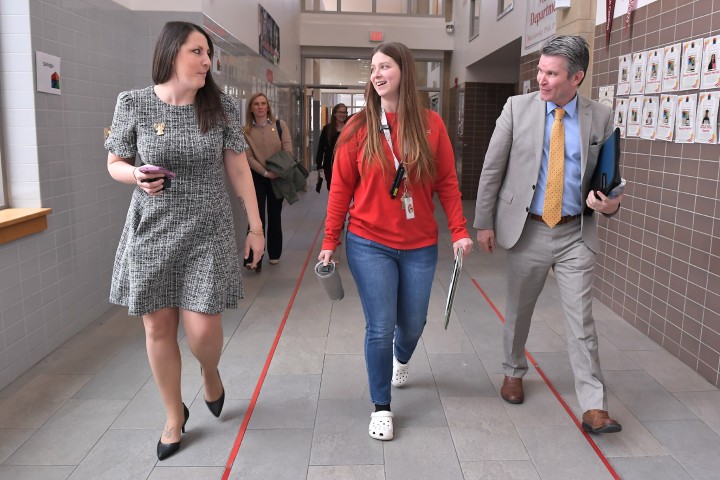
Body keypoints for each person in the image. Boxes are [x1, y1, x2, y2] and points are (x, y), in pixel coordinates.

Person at [105, 21, 265, 461]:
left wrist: (255, 226)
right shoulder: (133, 103)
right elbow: (115, 161)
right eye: (198, 51)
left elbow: (237, 169)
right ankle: (174, 416)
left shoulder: (220, 106)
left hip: (207, 230)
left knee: (202, 331)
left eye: (208, 53)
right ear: (172, 52)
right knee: (157, 327)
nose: (207, 61)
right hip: (152, 229)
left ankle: (209, 373)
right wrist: (134, 174)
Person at [318, 42, 473, 441]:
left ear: (404, 70)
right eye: (372, 68)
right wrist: (329, 241)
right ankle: (381, 406)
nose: (376, 73)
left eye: (384, 66)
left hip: (420, 243)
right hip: (369, 242)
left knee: (414, 322)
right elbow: (339, 191)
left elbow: (447, 183)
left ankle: (401, 357)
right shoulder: (357, 128)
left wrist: (459, 231)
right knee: (379, 326)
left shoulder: (431, 124)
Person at [473, 35, 624, 435]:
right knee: (519, 311)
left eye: (551, 74)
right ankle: (512, 370)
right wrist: (484, 222)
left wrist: (609, 204)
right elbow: (492, 169)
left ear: (577, 77)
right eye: (540, 70)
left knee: (581, 322)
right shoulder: (517, 108)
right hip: (529, 230)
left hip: (576, 232)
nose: (541, 79)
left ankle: (593, 405)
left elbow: (609, 181)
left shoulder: (601, 117)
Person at [243, 92, 293, 271]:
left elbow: (287, 150)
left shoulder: (280, 126)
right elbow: (248, 158)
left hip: (277, 175)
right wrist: (265, 172)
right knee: (256, 217)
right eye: (256, 104)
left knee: (274, 215)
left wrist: (276, 171)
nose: (260, 107)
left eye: (263, 103)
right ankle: (252, 258)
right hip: (257, 176)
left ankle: (274, 253)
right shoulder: (245, 131)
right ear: (251, 108)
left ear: (268, 106)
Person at [315, 103, 348, 190]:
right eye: (340, 112)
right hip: (330, 165)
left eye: (344, 112)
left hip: (346, 165)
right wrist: (319, 164)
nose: (343, 115)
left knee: (345, 189)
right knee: (332, 188)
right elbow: (321, 147)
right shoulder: (327, 129)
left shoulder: (349, 128)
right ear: (335, 113)